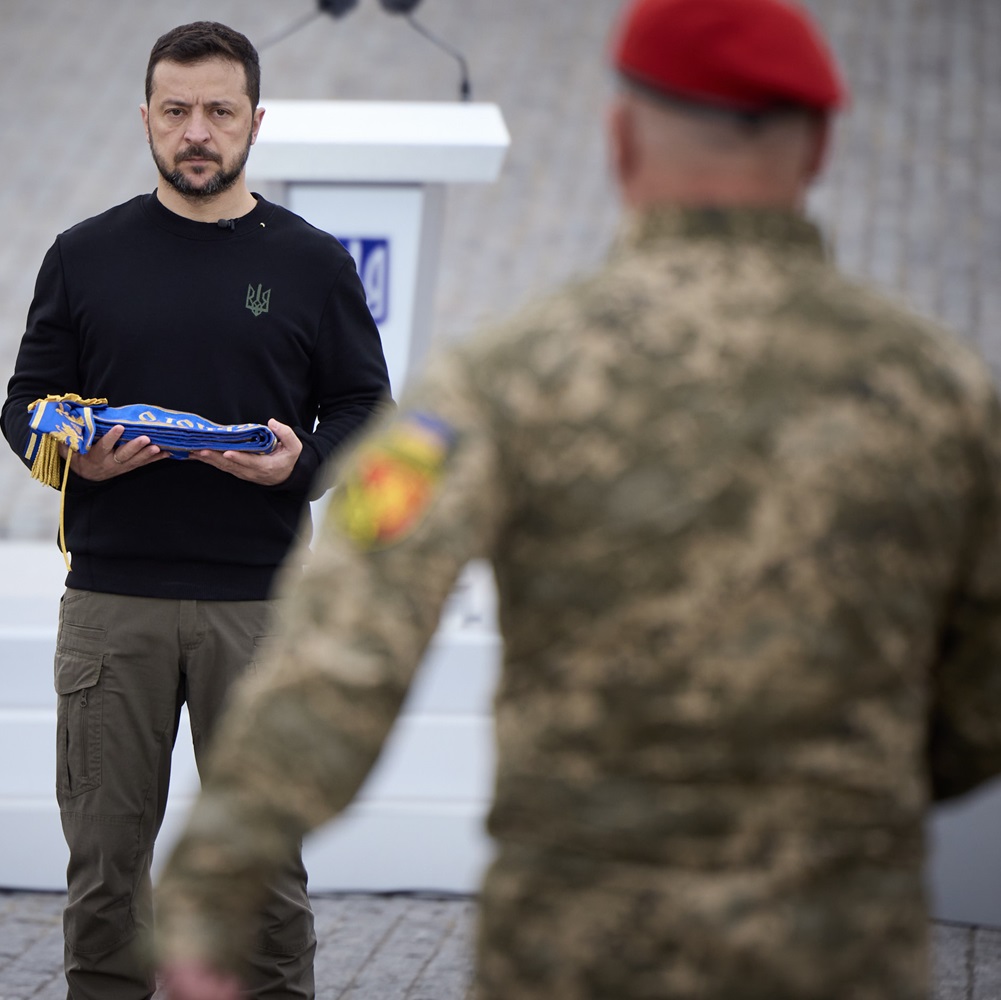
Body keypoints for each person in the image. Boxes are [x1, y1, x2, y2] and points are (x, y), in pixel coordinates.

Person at [153, 0, 1001, 997]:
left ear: (618, 139)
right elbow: (978, 702)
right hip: (836, 946)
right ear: (816, 147)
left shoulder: (498, 381)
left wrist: (213, 887)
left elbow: (346, 638)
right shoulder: (943, 396)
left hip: (574, 948)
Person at [0, 20, 390, 1000]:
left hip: (259, 608)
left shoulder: (311, 263)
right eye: (175, 111)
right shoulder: (83, 255)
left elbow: (366, 410)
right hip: (112, 606)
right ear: (145, 118)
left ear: (256, 120)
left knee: (262, 877)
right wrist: (76, 446)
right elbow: (24, 401)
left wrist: (301, 469)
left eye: (219, 111)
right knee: (103, 880)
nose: (197, 132)